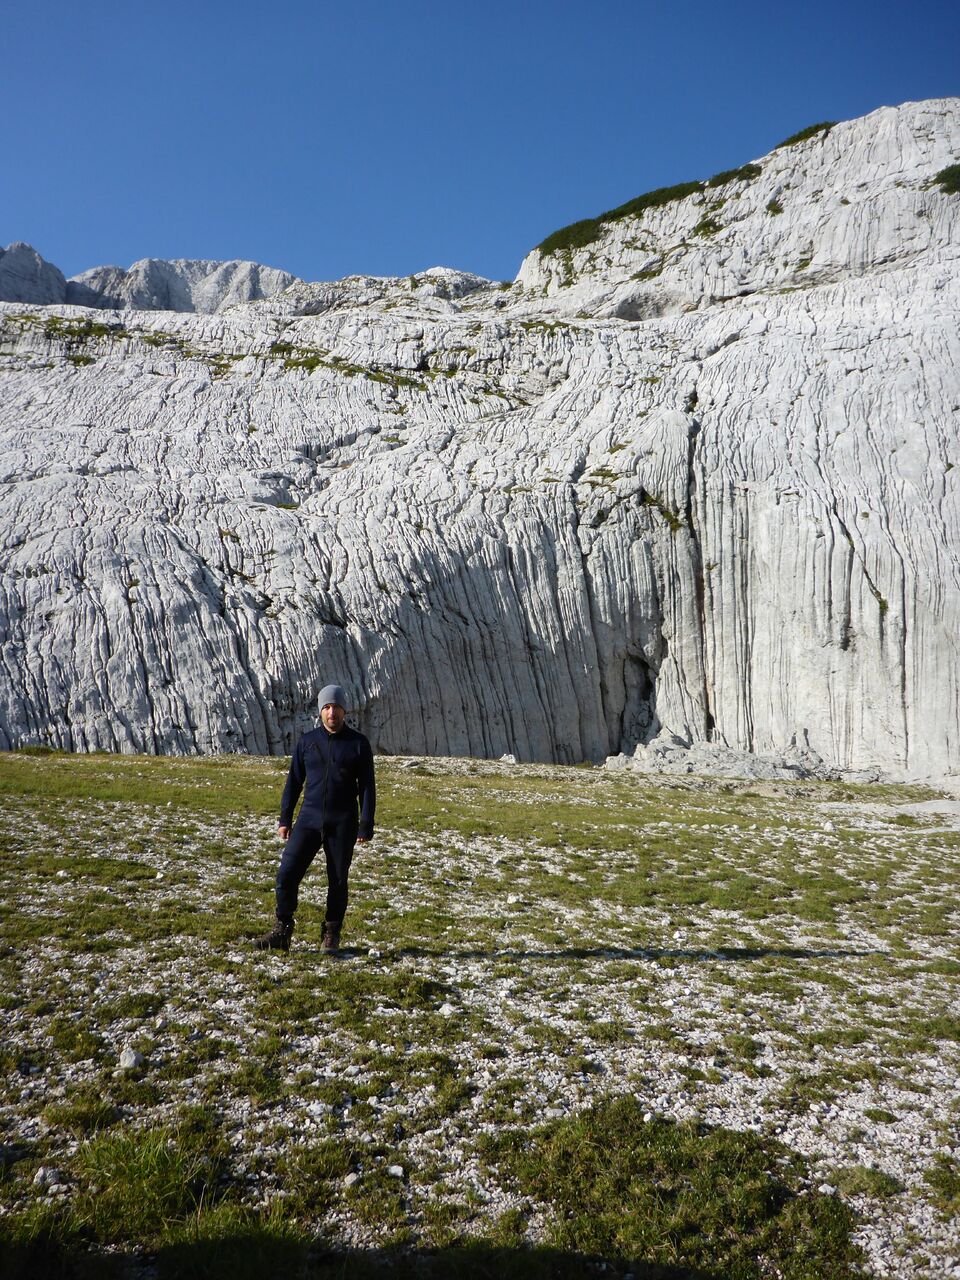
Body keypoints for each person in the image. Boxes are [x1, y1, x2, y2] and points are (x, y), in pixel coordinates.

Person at [255, 684, 375, 955]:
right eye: (327, 707)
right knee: (287, 873)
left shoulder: (358, 744)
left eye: (337, 707)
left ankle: (331, 933)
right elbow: (293, 782)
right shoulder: (307, 742)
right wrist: (285, 818)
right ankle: (283, 930)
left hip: (343, 822)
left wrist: (366, 824)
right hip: (308, 819)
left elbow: (367, 786)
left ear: (345, 710)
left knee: (338, 880)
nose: (332, 712)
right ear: (321, 711)